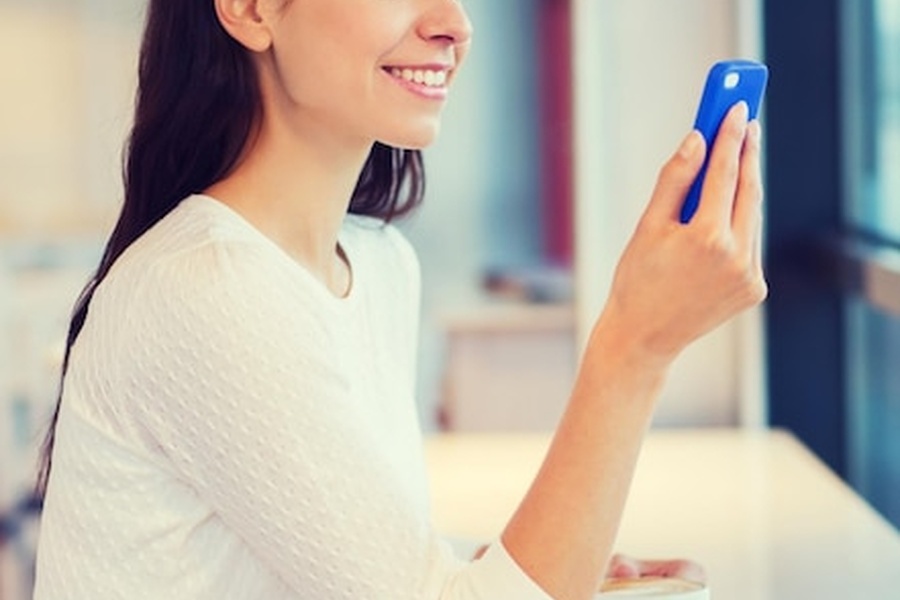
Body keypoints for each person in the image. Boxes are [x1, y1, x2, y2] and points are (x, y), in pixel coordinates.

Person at [32, 0, 765, 598]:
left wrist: (539, 562)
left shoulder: (380, 266)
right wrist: (637, 346)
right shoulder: (204, 289)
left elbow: (357, 560)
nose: (455, 24)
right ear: (251, 10)